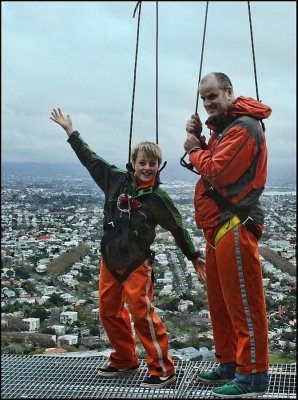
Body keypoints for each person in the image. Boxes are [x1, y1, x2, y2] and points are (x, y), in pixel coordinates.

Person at [50, 108, 206, 389]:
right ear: (132, 163)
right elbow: (90, 160)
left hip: (137, 262)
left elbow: (178, 228)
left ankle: (161, 367)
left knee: (141, 313)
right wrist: (71, 132)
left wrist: (194, 257)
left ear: (160, 166)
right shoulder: (114, 180)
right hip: (109, 259)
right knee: (108, 310)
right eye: (142, 162)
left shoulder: (158, 198)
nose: (147, 168)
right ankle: (124, 357)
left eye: (153, 164)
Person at [183, 72, 271, 398]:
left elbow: (217, 170)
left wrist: (194, 149)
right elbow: (219, 167)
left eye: (212, 96)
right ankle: (230, 364)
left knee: (243, 305)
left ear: (229, 92)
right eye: (204, 98)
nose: (207, 103)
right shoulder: (229, 130)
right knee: (221, 303)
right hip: (219, 225)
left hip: (234, 223)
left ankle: (253, 376)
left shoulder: (245, 128)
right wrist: (202, 141)